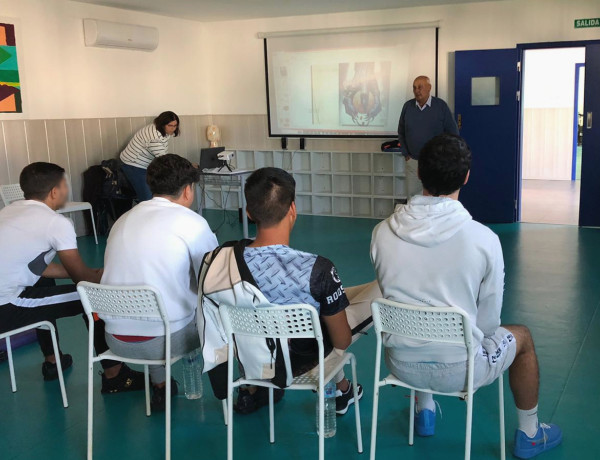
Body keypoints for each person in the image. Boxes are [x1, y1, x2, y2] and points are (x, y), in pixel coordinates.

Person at [370, 134, 562, 459]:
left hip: (399, 363)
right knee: (523, 339)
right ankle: (530, 433)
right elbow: (488, 326)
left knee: (415, 307)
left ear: (418, 173)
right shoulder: (483, 239)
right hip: (461, 369)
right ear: (467, 176)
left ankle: (425, 410)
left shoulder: (382, 233)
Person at [200, 167, 380, 415]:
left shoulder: (218, 262)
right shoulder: (318, 269)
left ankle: (341, 388)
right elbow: (341, 341)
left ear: (250, 213)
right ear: (293, 210)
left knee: (330, 301)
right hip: (304, 364)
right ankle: (341, 389)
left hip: (253, 359)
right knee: (380, 290)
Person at [0, 162, 144, 393]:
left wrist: (93, 273)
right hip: (7, 306)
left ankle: (53, 360)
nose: (67, 190)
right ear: (54, 192)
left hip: (7, 297)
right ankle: (114, 375)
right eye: (65, 185)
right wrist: (103, 277)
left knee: (43, 281)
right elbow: (81, 278)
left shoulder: (9, 211)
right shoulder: (56, 223)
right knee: (93, 297)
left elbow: (36, 267)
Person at [101, 154, 218, 411]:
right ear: (188, 190)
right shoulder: (193, 223)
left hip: (115, 339)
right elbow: (212, 282)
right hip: (167, 340)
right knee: (219, 306)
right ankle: (245, 390)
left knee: (153, 306)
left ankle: (161, 386)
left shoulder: (123, 220)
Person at [397, 76, 459, 198]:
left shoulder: (440, 106)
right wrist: (406, 154)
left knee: (434, 197)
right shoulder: (407, 107)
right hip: (413, 162)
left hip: (435, 163)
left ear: (429, 88)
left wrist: (445, 155)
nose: (417, 91)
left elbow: (453, 133)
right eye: (414, 88)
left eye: (420, 87)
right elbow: (401, 131)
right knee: (413, 197)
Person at [120, 111, 180, 201]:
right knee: (147, 198)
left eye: (175, 126)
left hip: (146, 165)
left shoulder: (161, 130)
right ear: (163, 124)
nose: (173, 129)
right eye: (170, 125)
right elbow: (164, 159)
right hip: (133, 164)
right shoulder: (154, 136)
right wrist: (184, 166)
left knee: (154, 194)